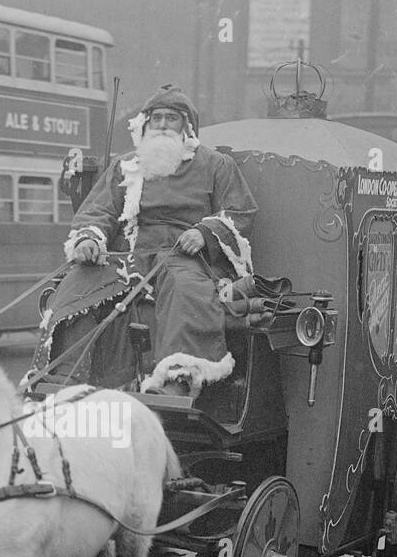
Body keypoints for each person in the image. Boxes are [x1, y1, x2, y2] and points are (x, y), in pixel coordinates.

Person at [36, 84, 258, 397]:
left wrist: (204, 232)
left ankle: (175, 380)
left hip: (185, 257)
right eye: (157, 118)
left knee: (185, 289)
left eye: (172, 118)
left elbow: (240, 212)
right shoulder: (126, 166)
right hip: (129, 260)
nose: (164, 125)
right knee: (76, 284)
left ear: (187, 125)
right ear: (146, 124)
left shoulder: (216, 165)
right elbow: (98, 210)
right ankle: (63, 378)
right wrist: (90, 239)